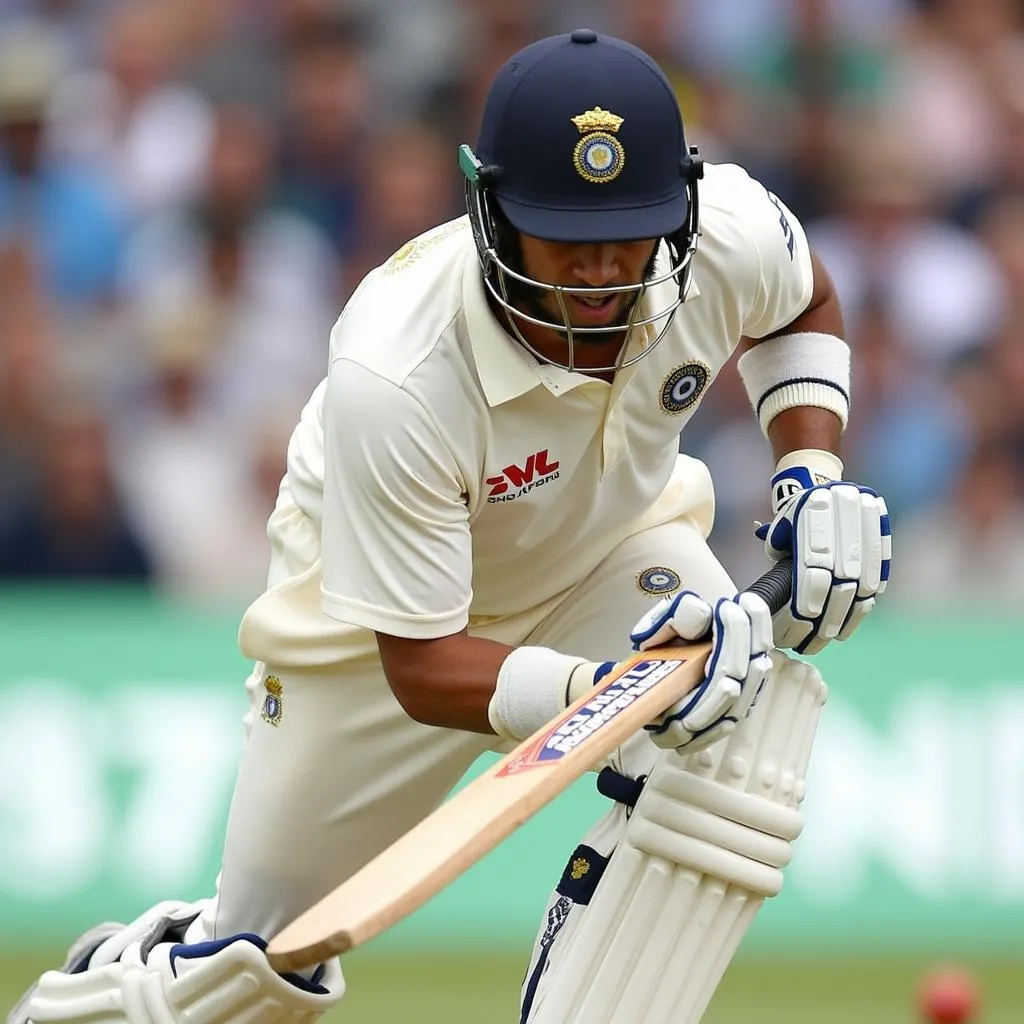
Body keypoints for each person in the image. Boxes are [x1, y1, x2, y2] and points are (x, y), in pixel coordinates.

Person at [12, 29, 891, 1024]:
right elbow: (421, 664)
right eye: (565, 238)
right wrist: (601, 696)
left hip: (611, 555)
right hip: (368, 639)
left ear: (679, 209)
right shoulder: (396, 368)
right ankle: (136, 980)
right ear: (493, 213)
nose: (601, 273)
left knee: (730, 730)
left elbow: (802, 297)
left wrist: (808, 478)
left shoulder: (724, 231)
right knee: (253, 974)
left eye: (628, 235)